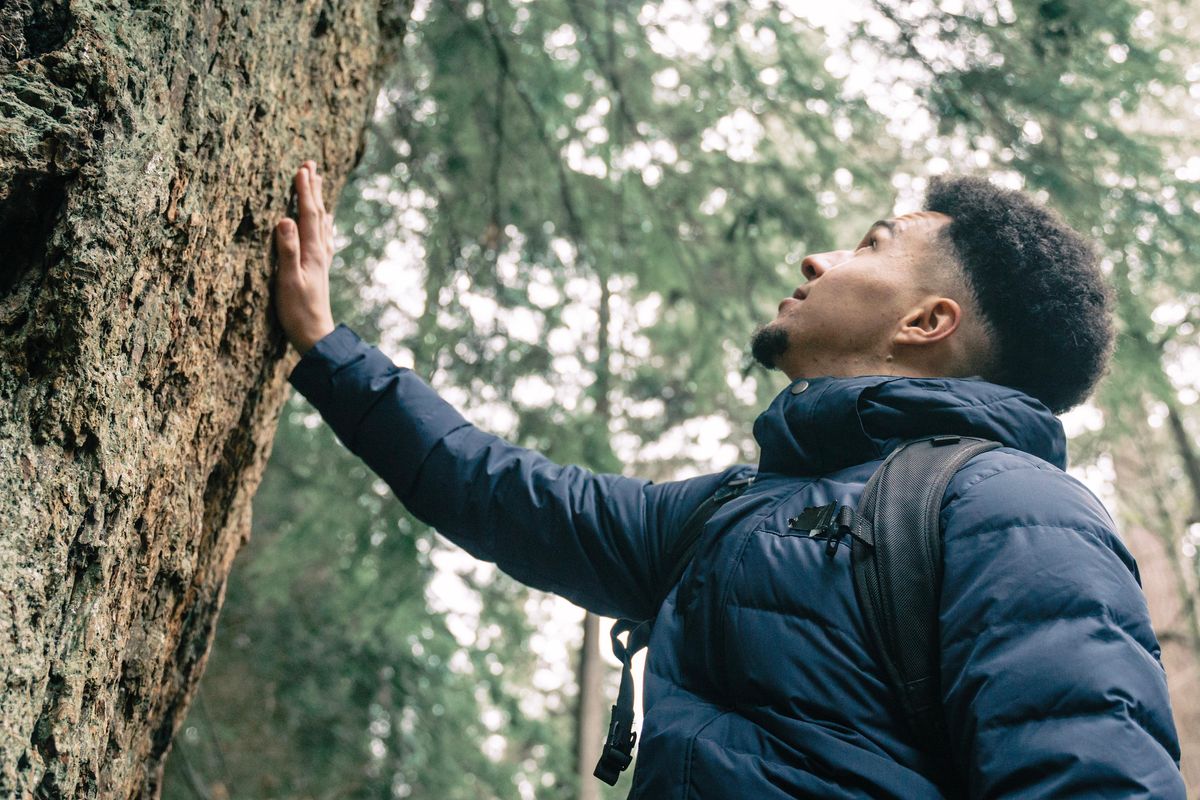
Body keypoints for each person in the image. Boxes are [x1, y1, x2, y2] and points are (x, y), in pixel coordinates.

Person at [273, 161, 1185, 798]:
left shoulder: (1016, 509)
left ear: (926, 320)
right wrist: (326, 345)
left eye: (869, 245)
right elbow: (510, 496)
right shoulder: (730, 516)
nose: (817, 261)